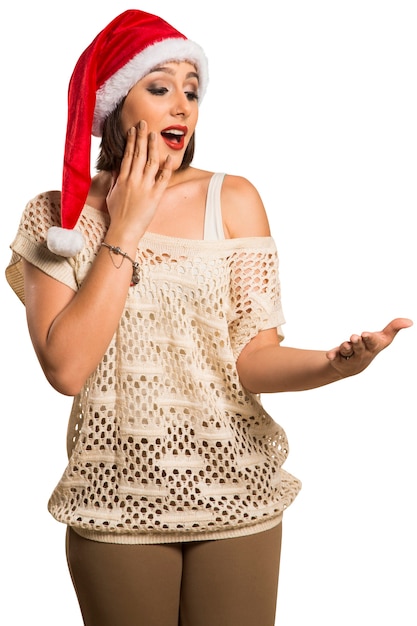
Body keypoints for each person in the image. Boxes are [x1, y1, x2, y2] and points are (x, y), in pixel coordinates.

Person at [5, 8, 412, 626]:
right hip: (116, 501)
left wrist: (334, 364)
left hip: (238, 490)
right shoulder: (55, 217)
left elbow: (250, 360)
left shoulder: (235, 199)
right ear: (115, 102)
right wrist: (129, 223)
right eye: (159, 87)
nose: (181, 107)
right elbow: (66, 366)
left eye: (191, 91)